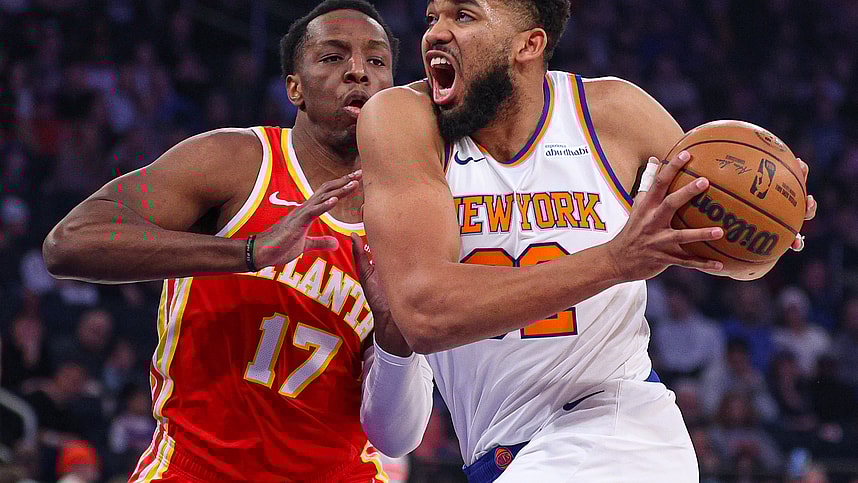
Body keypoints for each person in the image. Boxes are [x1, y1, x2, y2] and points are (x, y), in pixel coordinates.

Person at [355, 0, 817, 481]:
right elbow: (426, 313)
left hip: (619, 429)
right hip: (498, 451)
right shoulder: (403, 120)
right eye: (433, 17)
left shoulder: (613, 115)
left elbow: (728, 239)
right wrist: (614, 261)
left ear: (528, 44)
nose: (435, 33)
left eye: (463, 16)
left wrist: (778, 224)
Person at [42, 1, 431, 481]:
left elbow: (398, 437)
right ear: (295, 87)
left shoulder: (413, 216)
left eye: (376, 61)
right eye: (333, 57)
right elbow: (69, 242)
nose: (357, 72)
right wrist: (248, 252)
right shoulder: (237, 161)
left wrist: (396, 341)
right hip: (196, 468)